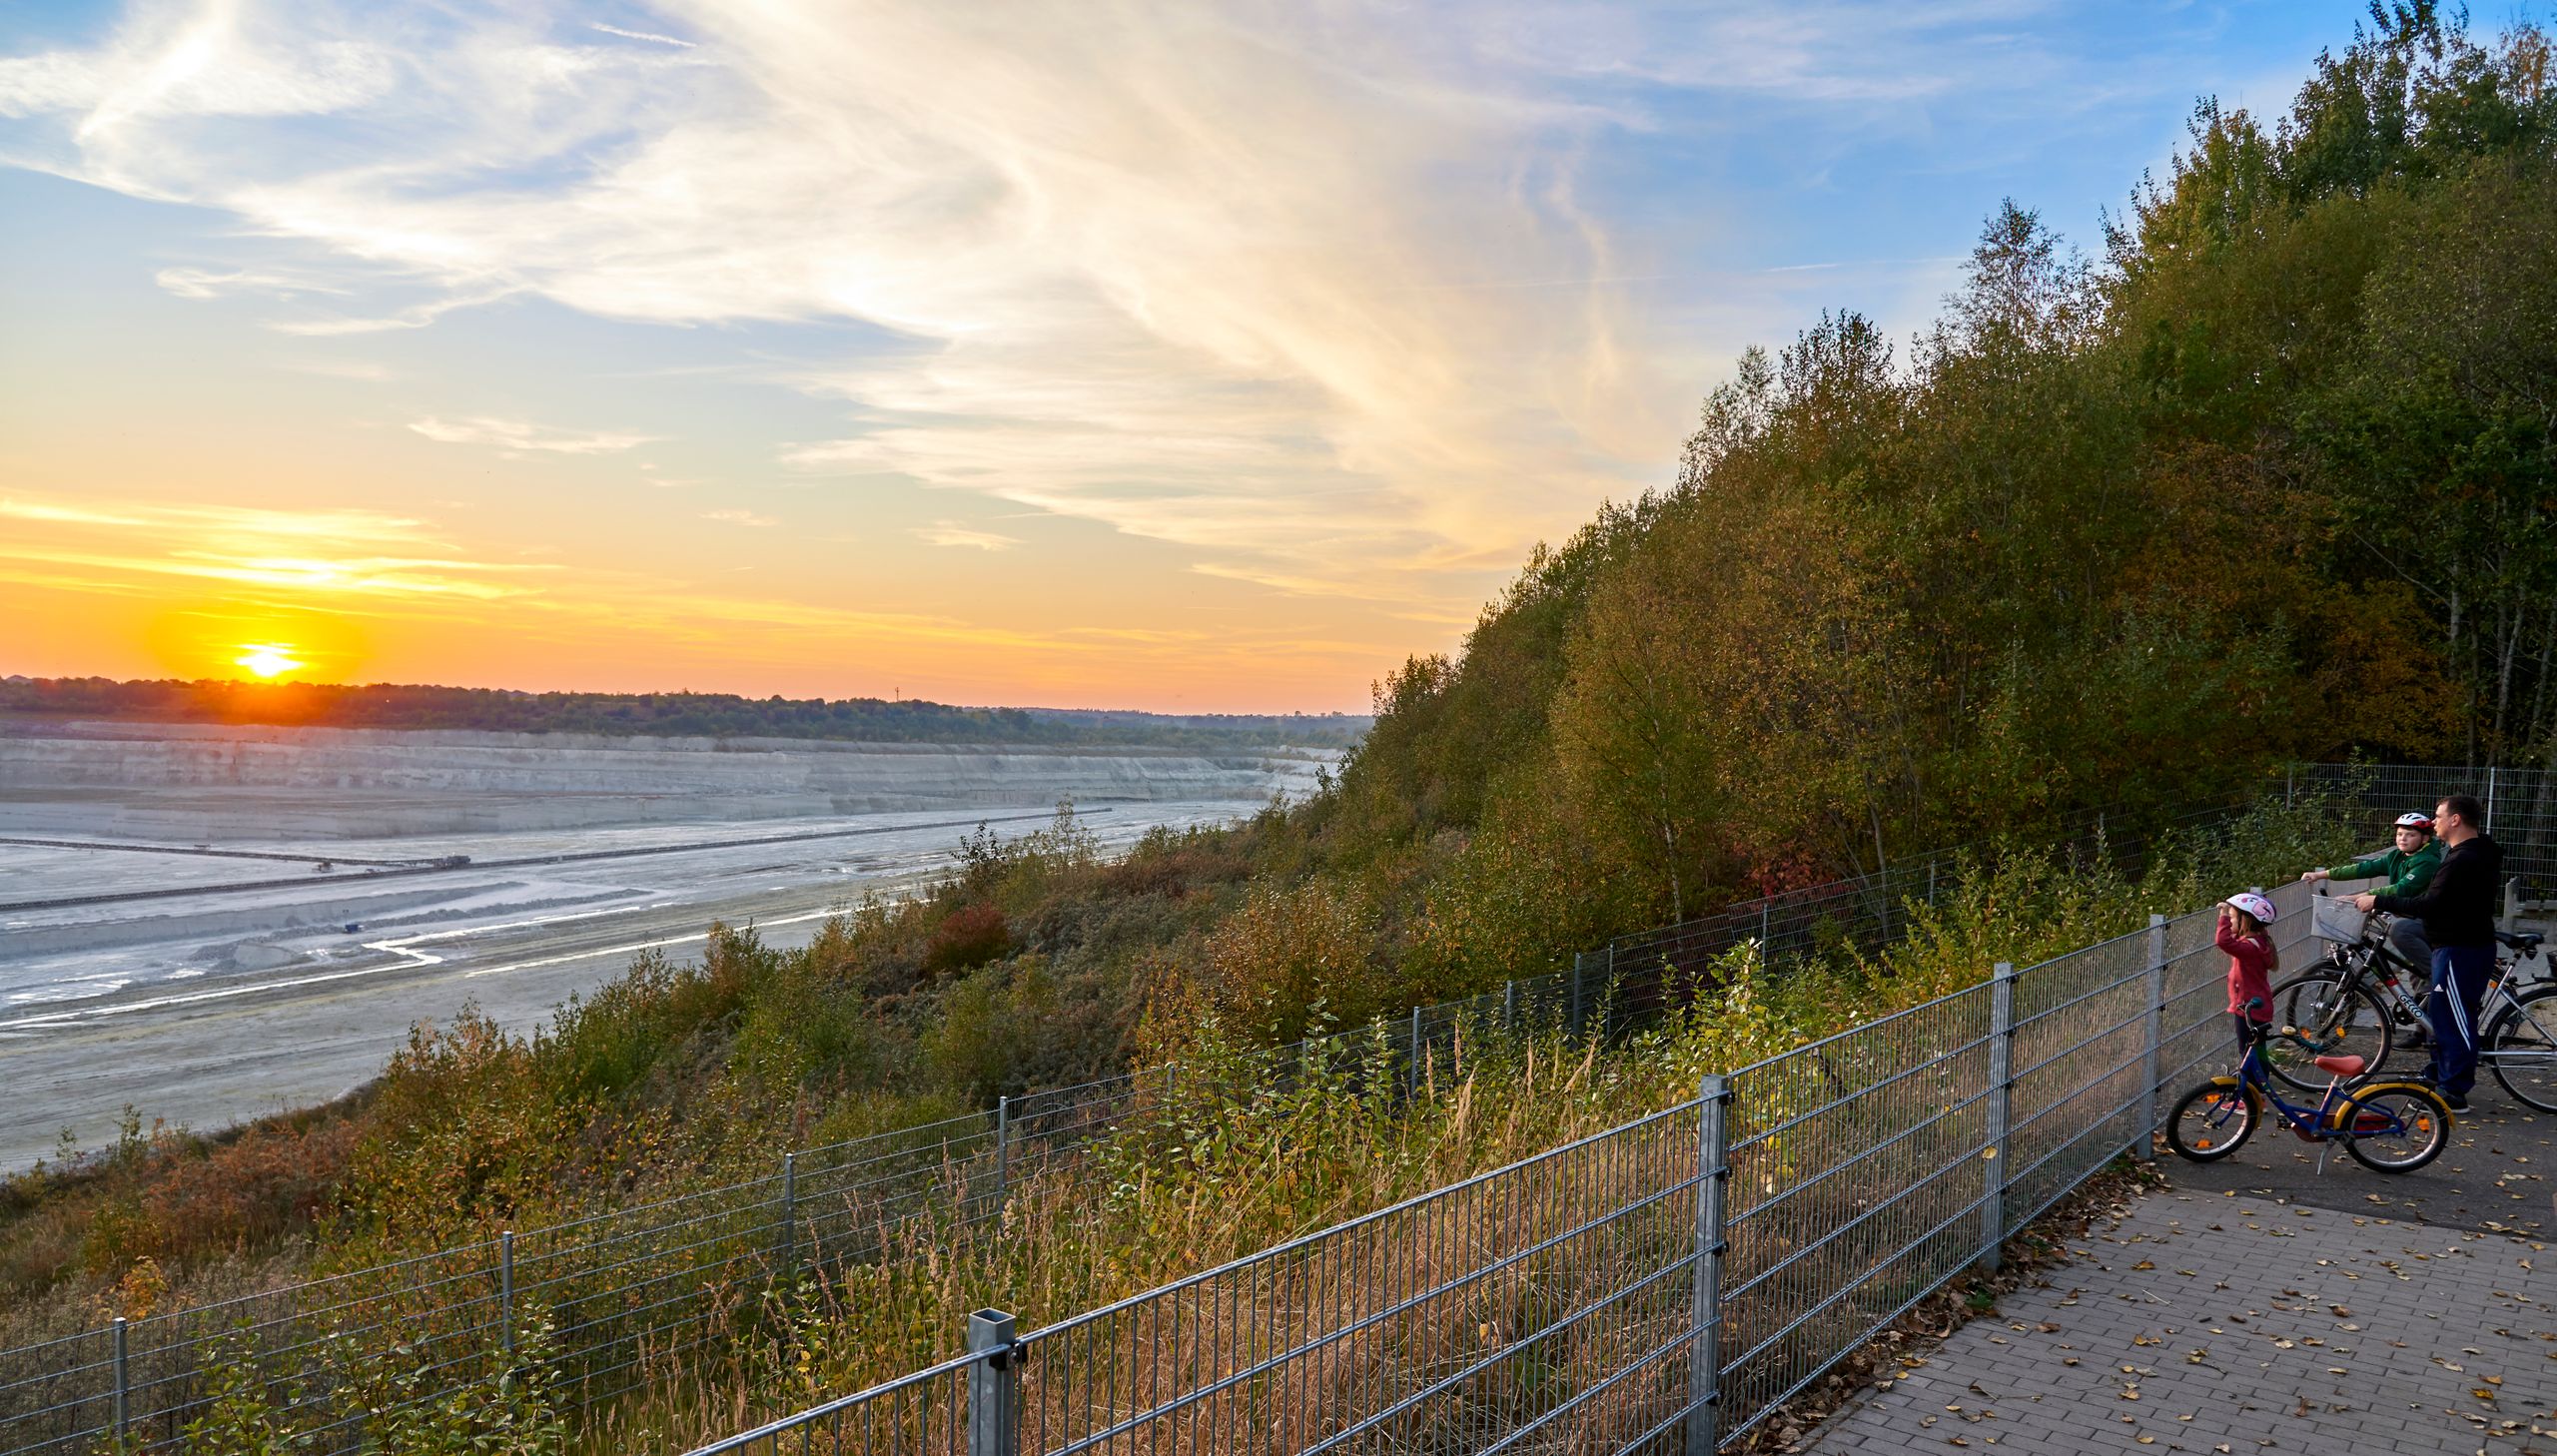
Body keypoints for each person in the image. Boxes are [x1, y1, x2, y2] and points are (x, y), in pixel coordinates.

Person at [2354, 794, 2502, 1111]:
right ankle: (2438, 1074)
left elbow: (2431, 904)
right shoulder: (2473, 851)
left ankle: (2454, 1090)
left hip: (2461, 946)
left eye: (2437, 816)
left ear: (2456, 820)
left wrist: (2379, 900)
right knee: (2442, 1013)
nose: (2433, 821)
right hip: (2455, 943)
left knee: (2454, 1018)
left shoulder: (2463, 860)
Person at [2301, 811, 2442, 1043]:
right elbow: (2362, 869)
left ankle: (2440, 989)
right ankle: (2423, 1031)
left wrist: (2363, 896)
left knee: (2425, 971)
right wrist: (2321, 875)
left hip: (2426, 921)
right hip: (2409, 917)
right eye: (2399, 834)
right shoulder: (2398, 856)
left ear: (2425, 839)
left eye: (2410, 834)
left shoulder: (2427, 861)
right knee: (2417, 975)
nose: (2402, 839)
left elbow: (2400, 889)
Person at [2217, 891, 2279, 1052]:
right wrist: (2232, 921)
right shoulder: (2259, 941)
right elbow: (2231, 937)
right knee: (2257, 1049)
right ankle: (2258, 1076)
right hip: (2256, 1005)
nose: (2230, 922)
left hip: (2249, 1009)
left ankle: (2255, 1077)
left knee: (2247, 1049)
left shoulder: (2249, 948)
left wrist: (2223, 916)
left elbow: (2223, 941)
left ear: (2244, 921)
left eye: (2232, 918)